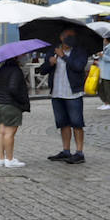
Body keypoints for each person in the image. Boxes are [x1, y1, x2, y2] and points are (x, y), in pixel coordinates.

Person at [41, 29, 90, 164]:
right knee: (63, 123)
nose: (70, 38)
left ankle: (79, 152)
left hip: (73, 93)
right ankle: (66, 151)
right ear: (61, 37)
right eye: (68, 36)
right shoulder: (53, 50)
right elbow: (42, 70)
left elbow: (79, 67)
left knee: (77, 123)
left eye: (73, 36)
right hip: (57, 92)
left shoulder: (79, 51)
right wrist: (50, 63)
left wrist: (63, 57)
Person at [0, 56, 30, 167]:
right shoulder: (16, 71)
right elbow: (13, 89)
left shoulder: (1, 69)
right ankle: (9, 159)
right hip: (10, 105)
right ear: (16, 58)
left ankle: (0, 158)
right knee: (9, 134)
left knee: (1, 132)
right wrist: (22, 101)